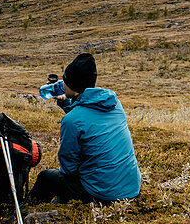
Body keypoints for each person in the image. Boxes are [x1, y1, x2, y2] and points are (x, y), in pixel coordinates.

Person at [28, 53, 141, 204]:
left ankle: (28, 212)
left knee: (46, 177)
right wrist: (67, 103)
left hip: (104, 194)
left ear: (71, 85)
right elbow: (88, 119)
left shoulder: (72, 121)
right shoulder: (115, 104)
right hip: (131, 188)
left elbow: (69, 167)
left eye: (65, 80)